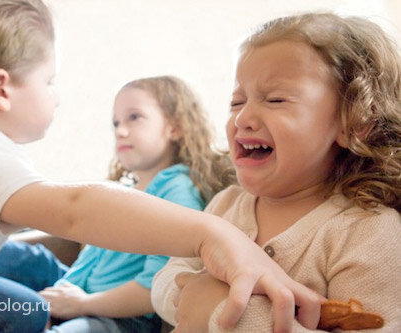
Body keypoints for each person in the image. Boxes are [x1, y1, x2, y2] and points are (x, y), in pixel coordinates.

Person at [0, 1, 323, 332]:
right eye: (48, 81)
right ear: (0, 89)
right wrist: (212, 233)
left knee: (21, 265)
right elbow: (76, 208)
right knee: (23, 314)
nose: (57, 96)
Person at [151, 12, 401, 332]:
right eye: (237, 101)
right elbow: (166, 277)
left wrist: (225, 312)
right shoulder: (226, 204)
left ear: (355, 121)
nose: (243, 119)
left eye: (275, 99)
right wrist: (190, 295)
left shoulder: (367, 230)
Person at [34, 75, 236, 332]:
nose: (120, 130)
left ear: (174, 128)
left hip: (122, 320)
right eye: (116, 122)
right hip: (82, 298)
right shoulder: (126, 191)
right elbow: (88, 264)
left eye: (134, 117)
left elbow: (155, 285)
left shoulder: (177, 192)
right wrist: (56, 301)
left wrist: (82, 304)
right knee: (26, 259)